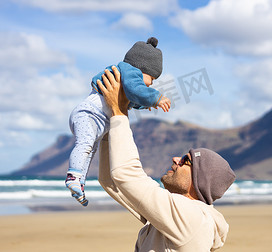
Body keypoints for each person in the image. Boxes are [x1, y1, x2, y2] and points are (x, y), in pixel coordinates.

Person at [97, 66, 236, 252]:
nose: (176, 159)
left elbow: (126, 174)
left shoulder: (193, 218)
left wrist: (119, 112)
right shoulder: (173, 215)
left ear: (199, 181)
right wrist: (110, 119)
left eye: (186, 160)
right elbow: (111, 180)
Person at [65, 37, 171, 206]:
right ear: (142, 67)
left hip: (97, 121)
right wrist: (155, 97)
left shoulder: (127, 78)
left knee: (90, 150)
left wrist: (145, 104)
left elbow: (130, 100)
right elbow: (136, 89)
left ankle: (78, 185)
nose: (151, 84)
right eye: (152, 78)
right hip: (88, 114)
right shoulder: (129, 70)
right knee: (85, 144)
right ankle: (72, 176)